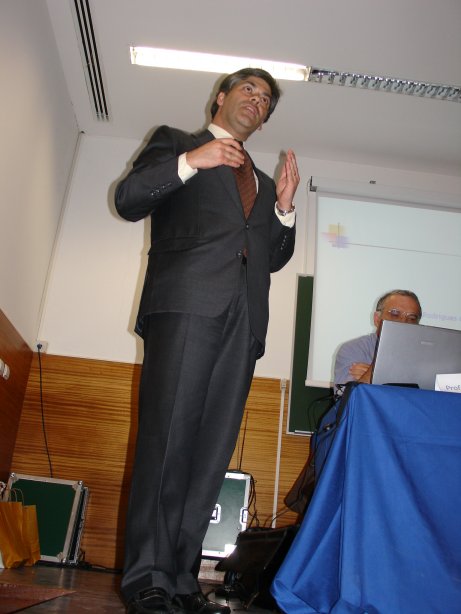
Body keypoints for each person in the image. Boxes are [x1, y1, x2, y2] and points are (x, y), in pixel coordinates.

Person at [115, 67, 300, 614]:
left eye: (266, 100)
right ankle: (146, 576)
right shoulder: (177, 142)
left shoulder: (261, 183)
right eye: (248, 90)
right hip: (187, 305)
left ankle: (180, 578)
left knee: (210, 454)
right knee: (168, 440)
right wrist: (193, 161)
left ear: (264, 121)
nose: (257, 101)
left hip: (244, 322)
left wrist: (283, 208)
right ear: (220, 98)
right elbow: (128, 199)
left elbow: (272, 257)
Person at [334, 289, 422, 392]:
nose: (403, 322)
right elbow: (346, 398)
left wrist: (374, 377)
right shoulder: (353, 349)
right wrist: (374, 373)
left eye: (412, 318)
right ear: (377, 319)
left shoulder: (425, 356)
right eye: (394, 314)